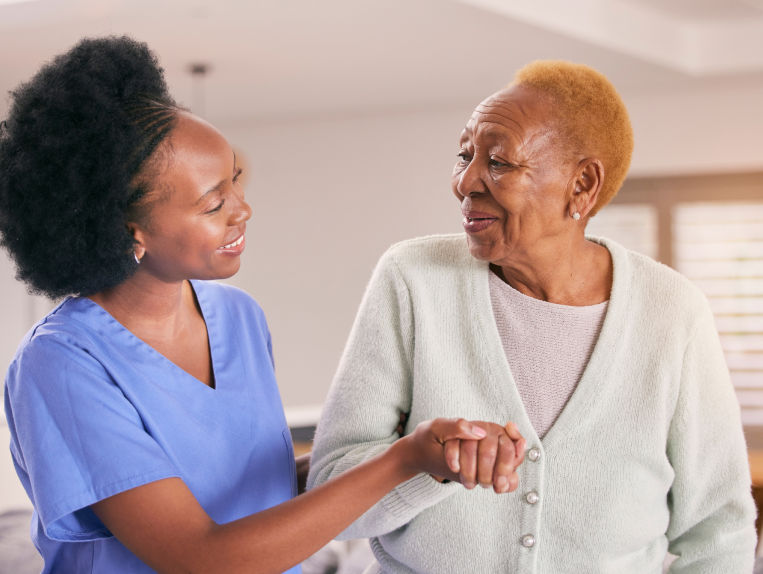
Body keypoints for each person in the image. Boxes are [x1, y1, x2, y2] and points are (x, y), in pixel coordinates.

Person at [0, 36, 526, 574]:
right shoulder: (62, 364)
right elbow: (199, 556)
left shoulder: (237, 316)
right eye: (213, 204)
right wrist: (399, 460)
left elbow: (255, 490)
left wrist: (413, 454)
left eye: (236, 182)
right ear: (129, 231)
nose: (243, 211)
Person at [307, 60, 757, 573]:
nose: (466, 182)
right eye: (464, 156)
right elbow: (328, 496)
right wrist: (427, 466)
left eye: (498, 162)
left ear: (582, 185)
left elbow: (718, 532)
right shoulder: (413, 279)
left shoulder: (673, 312)